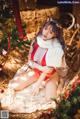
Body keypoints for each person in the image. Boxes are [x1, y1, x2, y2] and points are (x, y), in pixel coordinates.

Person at [0, 20, 65, 113]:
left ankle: (61, 82)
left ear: (55, 35)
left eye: (51, 32)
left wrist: (38, 84)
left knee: (50, 100)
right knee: (14, 86)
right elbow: (29, 60)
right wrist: (40, 68)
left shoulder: (56, 48)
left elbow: (48, 70)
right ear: (42, 28)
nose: (46, 33)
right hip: (38, 71)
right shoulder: (36, 40)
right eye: (45, 29)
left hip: (51, 75)